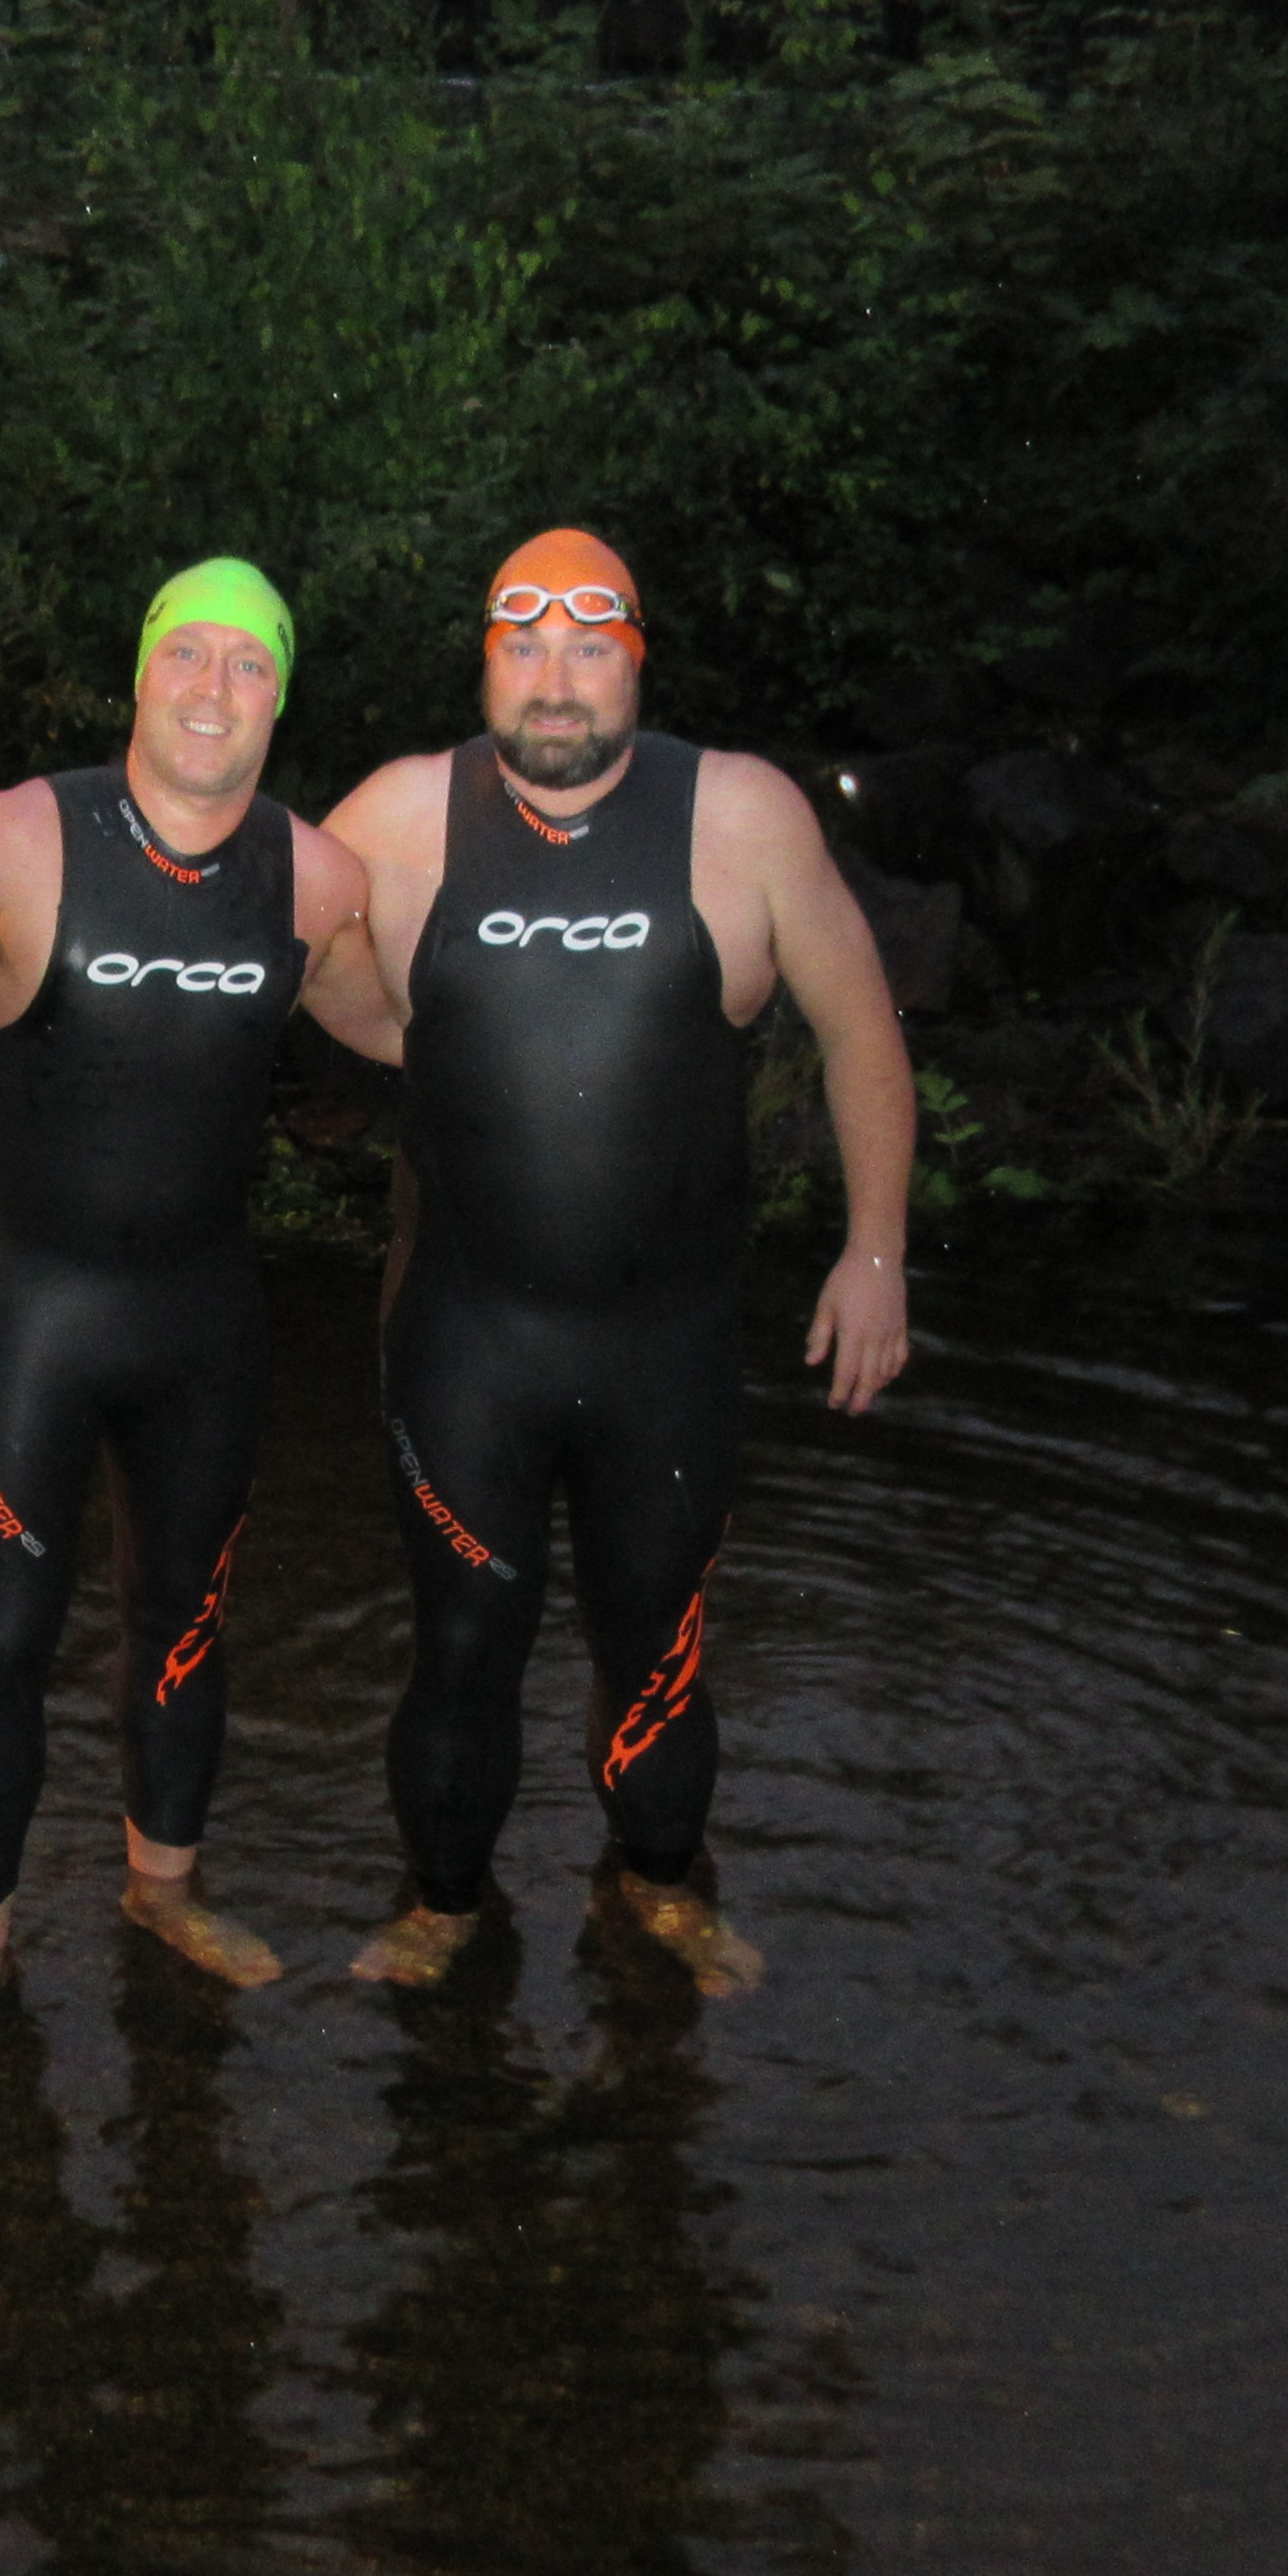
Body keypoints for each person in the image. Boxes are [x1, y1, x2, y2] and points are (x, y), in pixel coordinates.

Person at [0, 558, 380, 2071]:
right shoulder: (14, 843)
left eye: (249, 665)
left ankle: (162, 1886)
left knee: (185, 1625)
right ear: (137, 675)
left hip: (204, 1325)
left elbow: (404, 1024)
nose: (212, 686)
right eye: (186, 651)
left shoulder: (316, 881)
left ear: (279, 698)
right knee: (0, 1641)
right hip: (28, 1320)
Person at [308, 527, 914, 1996]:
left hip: (670, 1349)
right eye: (524, 642)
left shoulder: (744, 816)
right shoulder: (395, 815)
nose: (556, 679)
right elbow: (277, 954)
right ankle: (446, 1905)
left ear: (636, 658)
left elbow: (861, 1033)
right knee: (463, 1647)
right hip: (464, 1343)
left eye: (591, 644)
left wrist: (875, 1255)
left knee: (657, 1642)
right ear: (484, 663)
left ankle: (656, 1887)